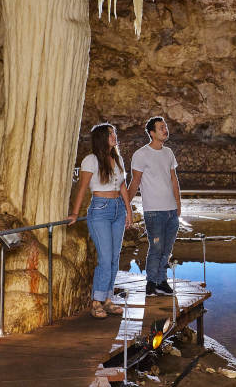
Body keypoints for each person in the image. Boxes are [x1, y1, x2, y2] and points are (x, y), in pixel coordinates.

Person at [68, 123, 133, 318]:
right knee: (105, 258)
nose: (114, 136)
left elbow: (122, 187)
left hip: (118, 210)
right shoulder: (90, 160)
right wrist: (74, 213)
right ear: (101, 138)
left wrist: (129, 211)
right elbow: (82, 187)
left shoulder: (117, 158)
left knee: (114, 258)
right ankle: (96, 301)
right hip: (100, 210)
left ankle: (108, 299)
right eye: (110, 134)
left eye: (114, 133)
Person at [129, 116, 181, 296]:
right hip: (154, 211)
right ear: (152, 133)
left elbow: (174, 180)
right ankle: (151, 282)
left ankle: (162, 281)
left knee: (167, 249)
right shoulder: (141, 154)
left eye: (165, 126)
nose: (165, 129)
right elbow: (135, 182)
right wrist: (126, 206)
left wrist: (178, 204)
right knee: (156, 247)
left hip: (171, 210)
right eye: (161, 127)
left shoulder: (168, 153)